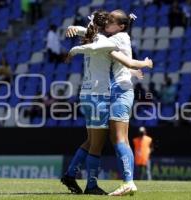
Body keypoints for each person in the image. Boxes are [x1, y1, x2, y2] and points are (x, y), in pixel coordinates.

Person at [61, 10, 153, 196]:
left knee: (93, 141)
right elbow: (126, 61)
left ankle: (71, 175)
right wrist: (144, 64)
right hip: (99, 95)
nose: (107, 24)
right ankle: (95, 185)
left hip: (90, 93)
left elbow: (89, 35)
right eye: (106, 21)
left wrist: (74, 36)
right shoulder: (103, 40)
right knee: (102, 142)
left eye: (112, 21)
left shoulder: (98, 38)